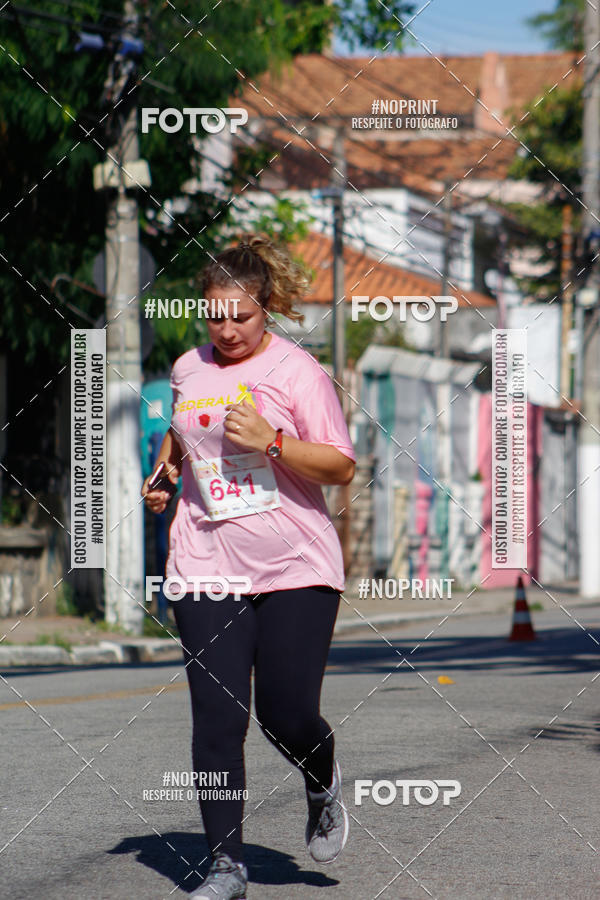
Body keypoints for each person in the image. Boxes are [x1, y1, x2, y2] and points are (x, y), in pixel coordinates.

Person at [142, 233, 356, 900]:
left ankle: (321, 779)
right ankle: (226, 866)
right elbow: (186, 430)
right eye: (215, 316)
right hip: (206, 559)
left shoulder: (298, 372)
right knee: (217, 718)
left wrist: (274, 442)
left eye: (241, 316)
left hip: (295, 564)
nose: (228, 329)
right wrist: (165, 471)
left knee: (286, 714)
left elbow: (340, 465)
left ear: (267, 310)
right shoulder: (188, 367)